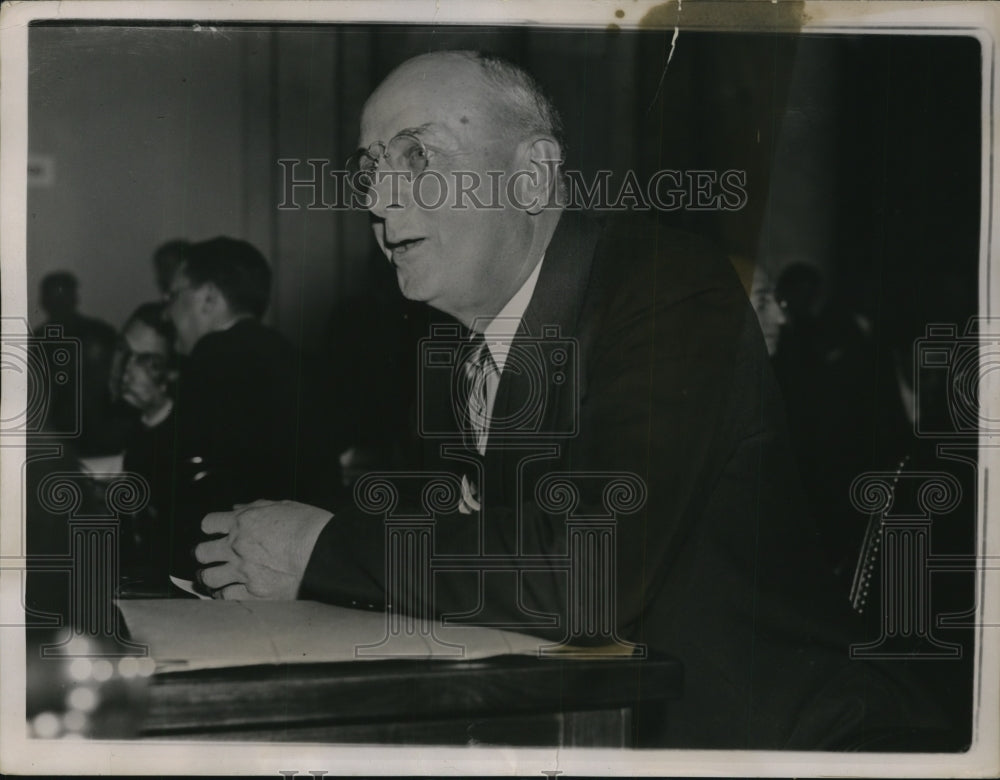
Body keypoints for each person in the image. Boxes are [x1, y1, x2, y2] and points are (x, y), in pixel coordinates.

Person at [193, 51, 950, 749]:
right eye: (369, 171)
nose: (379, 201)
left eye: (418, 156)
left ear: (532, 176)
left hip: (769, 743)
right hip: (582, 724)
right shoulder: (459, 347)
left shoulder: (666, 288)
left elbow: (589, 571)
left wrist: (320, 549)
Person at [163, 237, 331, 577]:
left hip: (245, 560)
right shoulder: (290, 354)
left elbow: (183, 481)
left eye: (174, 295)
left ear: (209, 297)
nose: (167, 312)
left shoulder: (214, 353)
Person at [111, 302, 180, 587]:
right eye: (125, 352)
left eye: (145, 360)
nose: (127, 370)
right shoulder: (131, 420)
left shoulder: (185, 438)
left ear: (172, 373)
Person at [36, 271, 127, 455]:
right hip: (60, 433)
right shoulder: (38, 341)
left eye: (64, 296)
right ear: (44, 302)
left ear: (74, 298)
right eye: (54, 298)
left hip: (103, 428)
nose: (60, 304)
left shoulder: (100, 332)